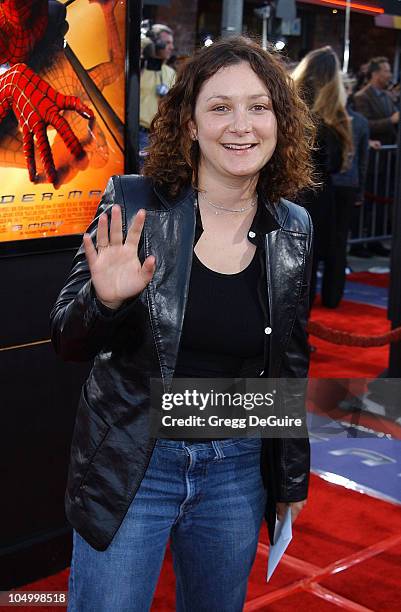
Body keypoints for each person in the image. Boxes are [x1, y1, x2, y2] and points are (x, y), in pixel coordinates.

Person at [51, 36, 315, 612]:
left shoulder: (292, 226)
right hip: (134, 465)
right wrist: (106, 300)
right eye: (220, 107)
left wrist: (291, 479)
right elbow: (66, 339)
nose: (241, 125)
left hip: (238, 470)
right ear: (191, 124)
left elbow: (289, 359)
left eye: (259, 106)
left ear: (279, 120)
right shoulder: (134, 202)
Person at [291, 46, 353, 308]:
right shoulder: (334, 119)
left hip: (286, 190)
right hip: (316, 195)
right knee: (309, 262)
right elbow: (337, 164)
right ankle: (300, 335)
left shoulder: (289, 110)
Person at [353, 56, 397, 257]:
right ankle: (358, 244)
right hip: (371, 161)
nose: (389, 74)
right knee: (365, 204)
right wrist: (390, 120)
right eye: (386, 71)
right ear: (376, 73)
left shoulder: (387, 97)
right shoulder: (362, 96)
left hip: (386, 162)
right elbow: (365, 125)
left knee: (381, 203)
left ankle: (376, 239)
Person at [139, 23, 175, 156]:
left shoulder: (170, 72)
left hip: (162, 136)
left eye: (172, 43)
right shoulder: (140, 69)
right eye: (167, 43)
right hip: (140, 133)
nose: (171, 47)